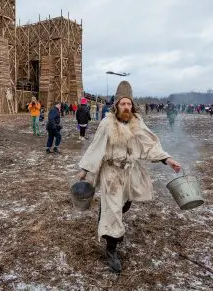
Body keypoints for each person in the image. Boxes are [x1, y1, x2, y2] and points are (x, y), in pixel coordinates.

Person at [76, 81, 182, 273]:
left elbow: (150, 146)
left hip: (130, 171)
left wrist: (168, 160)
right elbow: (95, 148)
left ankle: (106, 218)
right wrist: (84, 170)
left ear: (132, 105)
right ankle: (111, 249)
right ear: (116, 105)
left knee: (125, 205)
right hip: (111, 173)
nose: (126, 107)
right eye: (122, 104)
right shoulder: (107, 124)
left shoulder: (137, 123)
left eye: (129, 104)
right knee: (114, 210)